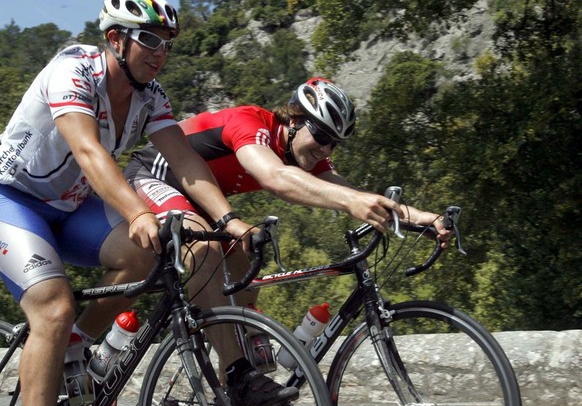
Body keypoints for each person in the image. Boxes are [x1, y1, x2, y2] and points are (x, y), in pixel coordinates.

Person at [0, 0, 293, 406]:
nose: (160, 52)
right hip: (12, 199)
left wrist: (227, 220)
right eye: (150, 40)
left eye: (167, 44)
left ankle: (76, 348)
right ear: (116, 40)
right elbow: (89, 151)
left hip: (70, 207)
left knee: (155, 254)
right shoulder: (74, 69)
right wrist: (137, 212)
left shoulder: (151, 96)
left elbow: (186, 165)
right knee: (52, 304)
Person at [124, 76, 451, 361]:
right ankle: (235, 371)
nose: (326, 151)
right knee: (206, 252)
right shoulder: (250, 123)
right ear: (293, 121)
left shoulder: (304, 153)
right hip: (155, 175)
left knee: (245, 274)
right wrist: (353, 202)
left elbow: (352, 192)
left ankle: (234, 399)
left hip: (203, 198)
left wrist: (419, 219)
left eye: (334, 144)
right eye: (322, 137)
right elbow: (275, 177)